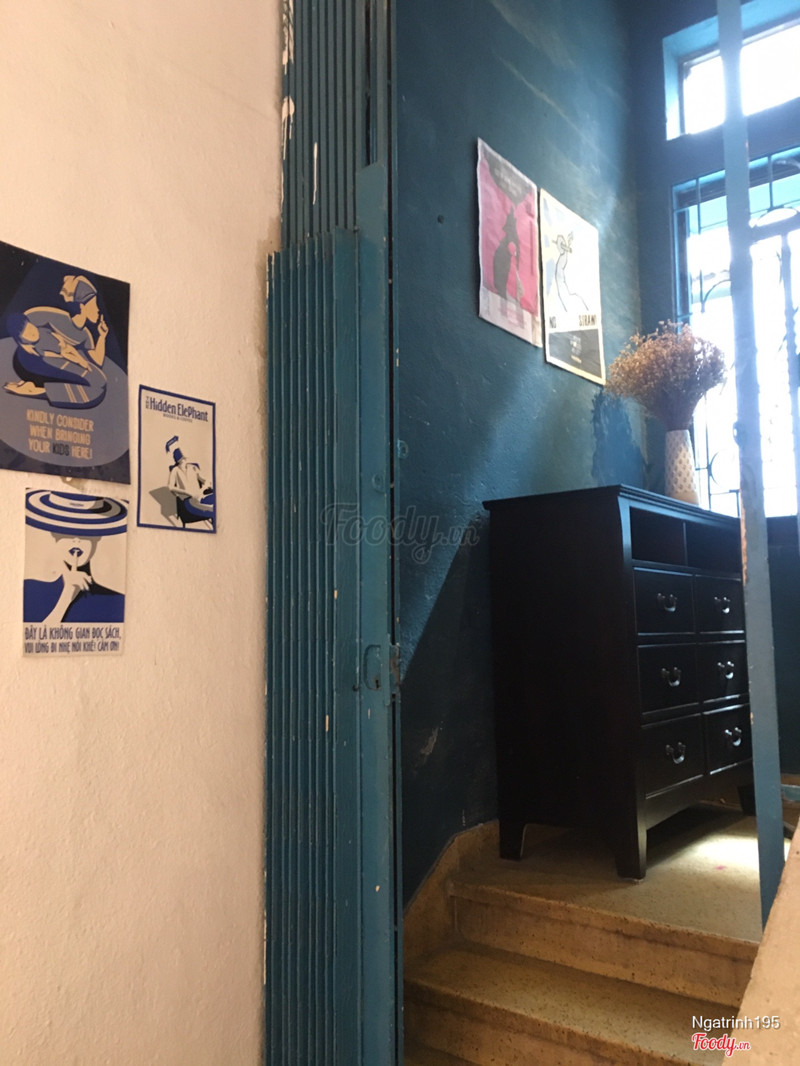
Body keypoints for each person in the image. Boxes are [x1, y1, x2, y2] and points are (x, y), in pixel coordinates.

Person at [4, 275, 108, 408]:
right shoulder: (57, 317)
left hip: (60, 358)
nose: (98, 310)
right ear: (82, 306)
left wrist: (102, 337)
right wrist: (23, 344)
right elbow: (24, 319)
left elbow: (97, 361)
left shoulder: (86, 335)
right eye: (94, 305)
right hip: (32, 360)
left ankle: (36, 388)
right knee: (95, 390)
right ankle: (35, 390)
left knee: (100, 382)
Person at [23, 490, 126, 624]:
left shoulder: (115, 599)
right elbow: (35, 636)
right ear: (54, 535)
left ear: (97, 537)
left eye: (85, 533)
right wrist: (65, 598)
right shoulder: (31, 589)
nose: (76, 539)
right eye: (67, 532)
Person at [166, 436, 215, 525]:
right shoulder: (175, 470)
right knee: (212, 510)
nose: (183, 461)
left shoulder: (193, 467)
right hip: (189, 500)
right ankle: (211, 512)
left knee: (217, 498)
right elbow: (170, 487)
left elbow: (202, 479)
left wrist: (208, 483)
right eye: (181, 461)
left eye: (184, 459)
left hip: (201, 496)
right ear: (178, 461)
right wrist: (186, 492)